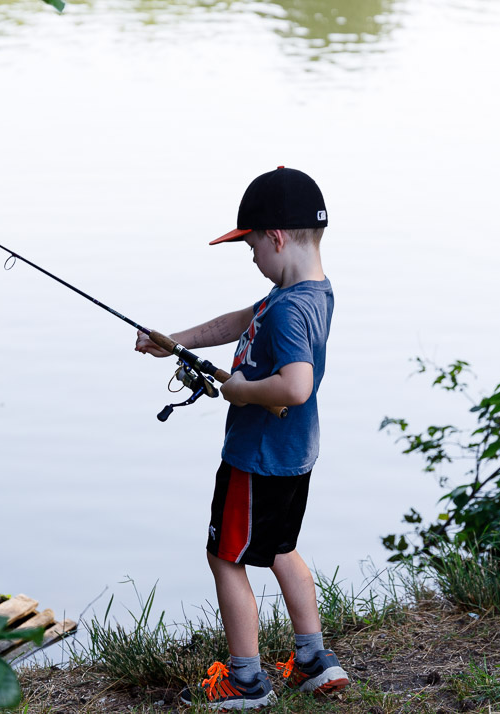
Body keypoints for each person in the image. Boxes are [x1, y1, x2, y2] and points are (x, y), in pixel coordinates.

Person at [135, 166, 348, 709]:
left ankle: (246, 681)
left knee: (224, 556)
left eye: (251, 245)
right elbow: (240, 320)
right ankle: (313, 660)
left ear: (275, 237)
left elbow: (295, 386)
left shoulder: (287, 309)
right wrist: (175, 340)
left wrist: (240, 389)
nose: (251, 257)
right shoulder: (309, 294)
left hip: (255, 460)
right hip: (294, 456)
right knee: (280, 549)